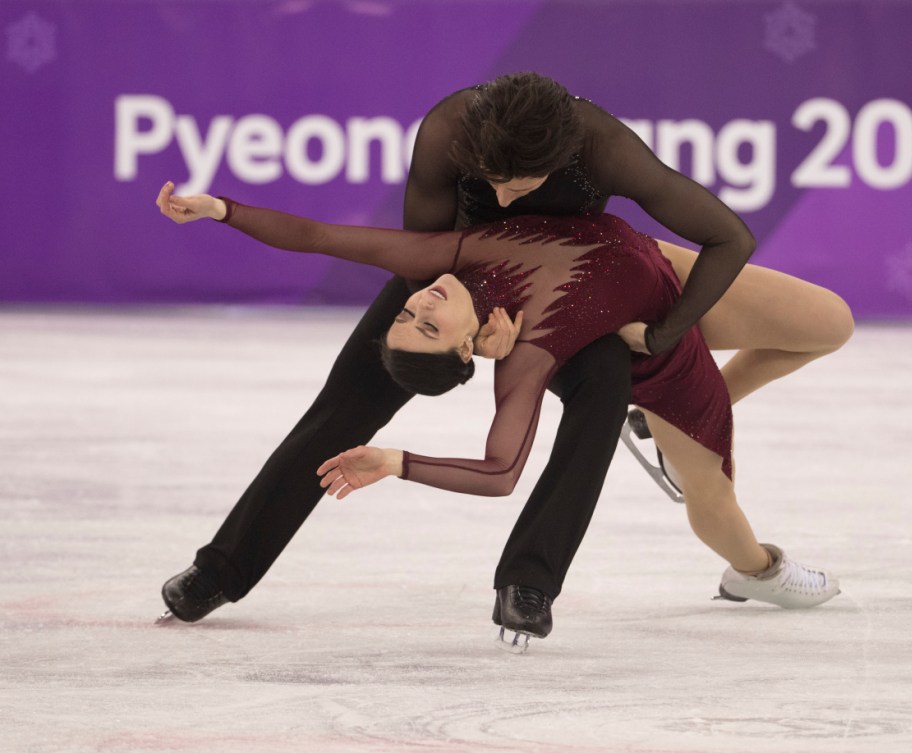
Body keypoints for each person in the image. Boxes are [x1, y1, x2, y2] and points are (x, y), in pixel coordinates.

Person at [155, 73, 845, 642]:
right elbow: (413, 258)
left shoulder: (604, 145)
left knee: (604, 386)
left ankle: (528, 582)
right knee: (342, 407)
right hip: (456, 278)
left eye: (522, 182)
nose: (505, 195)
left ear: (566, 156)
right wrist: (473, 329)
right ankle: (220, 569)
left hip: (579, 295)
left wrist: (661, 337)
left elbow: (728, 234)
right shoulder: (446, 133)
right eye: (490, 181)